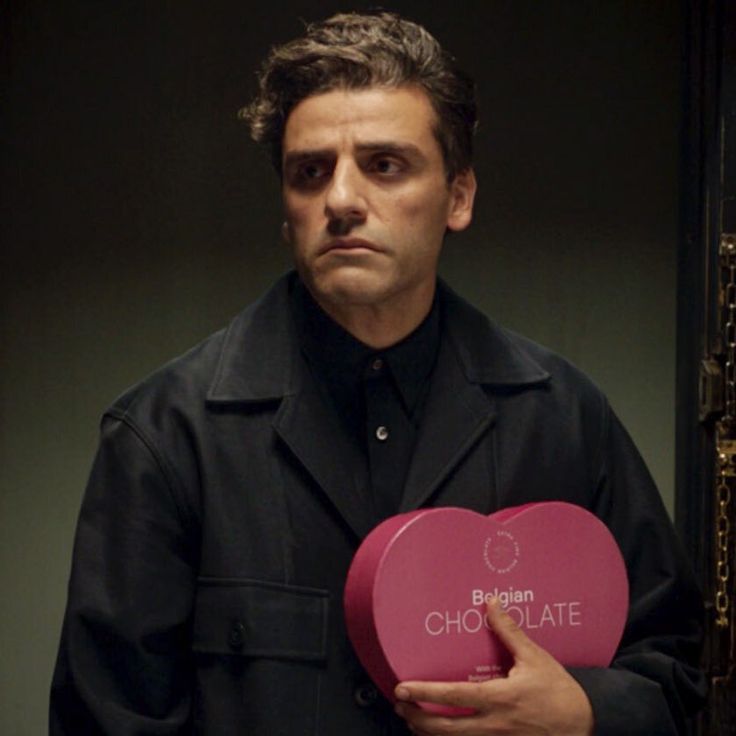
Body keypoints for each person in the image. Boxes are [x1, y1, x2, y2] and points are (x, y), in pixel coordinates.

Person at [50, 11, 705, 735]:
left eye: (385, 165)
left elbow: (679, 674)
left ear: (458, 197)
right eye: (310, 172)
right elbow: (104, 720)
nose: (339, 200)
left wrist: (585, 713)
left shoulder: (564, 417)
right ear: (286, 210)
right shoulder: (165, 437)